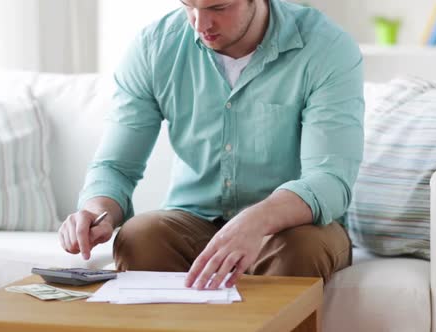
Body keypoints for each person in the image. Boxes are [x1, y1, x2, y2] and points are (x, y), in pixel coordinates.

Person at [58, 0, 364, 290]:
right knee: (140, 236)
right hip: (194, 219)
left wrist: (257, 220)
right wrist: (96, 212)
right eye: (189, 6)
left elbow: (329, 179)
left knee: (299, 250)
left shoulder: (326, 47)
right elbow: (116, 166)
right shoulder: (154, 46)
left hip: (293, 228)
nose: (200, 24)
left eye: (218, 7)